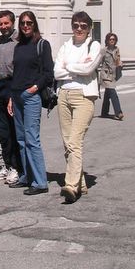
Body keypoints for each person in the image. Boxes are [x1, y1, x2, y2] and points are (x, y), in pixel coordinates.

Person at [54, 11, 101, 203]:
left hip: (84, 96)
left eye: (83, 26)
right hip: (63, 95)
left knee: (74, 141)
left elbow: (88, 69)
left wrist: (68, 66)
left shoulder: (94, 45)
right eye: (75, 25)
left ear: (89, 28)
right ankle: (80, 182)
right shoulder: (65, 46)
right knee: (67, 143)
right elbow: (56, 72)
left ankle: (71, 186)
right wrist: (77, 67)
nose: (79, 29)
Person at [8, 11, 53, 195]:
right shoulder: (18, 46)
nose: (26, 26)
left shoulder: (42, 44)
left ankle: (40, 182)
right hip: (16, 95)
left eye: (29, 23)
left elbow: (49, 73)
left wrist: (34, 88)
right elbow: (16, 73)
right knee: (21, 139)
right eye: (23, 23)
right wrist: (11, 97)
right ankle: (26, 176)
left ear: (34, 24)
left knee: (32, 139)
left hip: (30, 97)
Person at [0, 10, 21, 185]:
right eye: (0, 24)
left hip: (13, 86)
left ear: (13, 23)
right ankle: (7, 165)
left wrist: (14, 94)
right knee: (2, 132)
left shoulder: (19, 40)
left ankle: (16, 167)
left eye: (6, 23)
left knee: (13, 131)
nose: (3, 26)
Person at [100, 32, 124, 120]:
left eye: (113, 39)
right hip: (106, 75)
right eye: (110, 39)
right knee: (112, 91)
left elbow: (117, 60)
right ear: (107, 40)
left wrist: (120, 64)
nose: (112, 41)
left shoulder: (117, 49)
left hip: (113, 74)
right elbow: (98, 61)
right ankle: (118, 112)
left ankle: (104, 112)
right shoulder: (103, 50)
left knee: (108, 92)